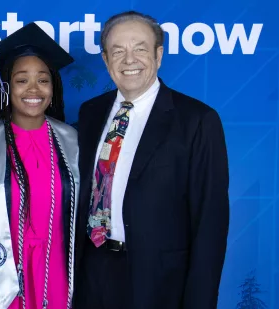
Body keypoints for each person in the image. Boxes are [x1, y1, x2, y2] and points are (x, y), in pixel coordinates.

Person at [73, 11, 230, 309]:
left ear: (159, 55)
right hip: (91, 271)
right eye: (118, 51)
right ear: (106, 60)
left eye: (140, 49)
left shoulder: (197, 121)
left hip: (158, 282)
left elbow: (211, 222)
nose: (129, 60)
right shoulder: (90, 113)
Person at [0, 23, 80, 309]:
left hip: (58, 269)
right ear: (7, 86)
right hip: (4, 272)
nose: (34, 89)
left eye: (43, 80)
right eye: (22, 80)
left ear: (53, 86)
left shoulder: (74, 141)